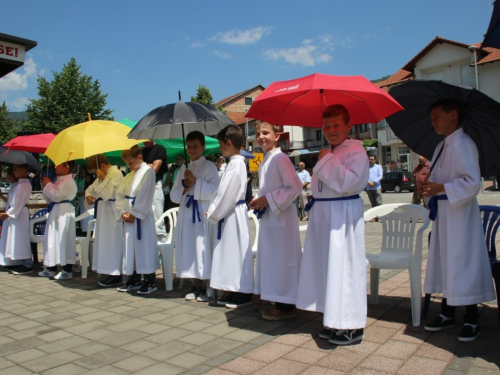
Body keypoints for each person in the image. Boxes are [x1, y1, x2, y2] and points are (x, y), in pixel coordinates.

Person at [421, 98, 495, 342]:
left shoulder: (463, 143)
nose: (433, 122)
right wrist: (427, 186)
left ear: (453, 115)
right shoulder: (442, 146)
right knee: (445, 261)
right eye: (431, 118)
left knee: (462, 261)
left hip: (460, 213)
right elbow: (439, 176)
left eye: (437, 116)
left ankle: (472, 318)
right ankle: (447, 312)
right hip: (444, 212)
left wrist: (439, 186)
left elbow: (472, 183)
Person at [296, 104, 369, 345]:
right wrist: (326, 159)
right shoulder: (329, 151)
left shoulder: (356, 152)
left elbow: (350, 182)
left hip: (342, 213)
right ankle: (332, 318)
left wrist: (326, 162)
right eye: (326, 126)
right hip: (325, 213)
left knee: (345, 266)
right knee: (327, 267)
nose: (331, 130)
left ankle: (351, 324)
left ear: (349, 126)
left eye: (337, 125)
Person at [249, 121, 302, 320]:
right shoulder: (265, 160)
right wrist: (259, 198)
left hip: (282, 221)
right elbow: (269, 189)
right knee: (273, 259)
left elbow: (294, 187)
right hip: (271, 218)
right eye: (257, 133)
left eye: (265, 132)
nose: (261, 136)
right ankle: (276, 298)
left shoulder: (280, 158)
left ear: (277, 135)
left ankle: (286, 305)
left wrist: (268, 199)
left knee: (283, 259)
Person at [207, 125, 253, 308]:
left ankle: (243, 292)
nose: (219, 147)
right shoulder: (231, 164)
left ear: (228, 143)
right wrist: (213, 208)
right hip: (228, 214)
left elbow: (229, 196)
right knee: (229, 252)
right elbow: (221, 192)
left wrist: (214, 214)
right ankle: (233, 289)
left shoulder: (237, 165)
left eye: (220, 144)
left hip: (233, 213)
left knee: (236, 251)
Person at [170, 131, 219, 302]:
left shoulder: (209, 166)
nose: (191, 150)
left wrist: (196, 181)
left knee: (202, 247)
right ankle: (195, 284)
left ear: (203, 147)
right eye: (189, 147)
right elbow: (173, 195)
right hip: (187, 212)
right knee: (189, 247)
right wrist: (184, 185)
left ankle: (207, 285)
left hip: (201, 211)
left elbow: (214, 189)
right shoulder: (183, 168)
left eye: (195, 146)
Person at [116, 145, 159, 295]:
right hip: (129, 217)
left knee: (144, 248)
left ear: (139, 157)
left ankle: (150, 280)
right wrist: (122, 212)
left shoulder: (148, 172)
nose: (129, 166)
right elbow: (120, 194)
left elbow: (145, 195)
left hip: (141, 218)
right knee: (131, 248)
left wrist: (134, 214)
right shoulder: (129, 175)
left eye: (130, 162)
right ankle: (133, 278)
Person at [85, 154, 124, 287]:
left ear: (102, 166)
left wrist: (104, 179)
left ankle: (115, 273)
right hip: (103, 213)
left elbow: (112, 194)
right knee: (104, 241)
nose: (95, 175)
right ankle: (107, 269)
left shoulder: (116, 173)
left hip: (113, 213)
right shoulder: (102, 175)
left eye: (94, 172)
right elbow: (92, 188)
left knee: (113, 242)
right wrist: (89, 195)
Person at [39, 161, 78, 280]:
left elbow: (57, 195)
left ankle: (67, 268)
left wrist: (49, 184)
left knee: (63, 238)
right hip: (56, 210)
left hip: (64, 211)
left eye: (59, 165)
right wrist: (46, 186)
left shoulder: (68, 180)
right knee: (52, 238)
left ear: (67, 167)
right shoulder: (59, 179)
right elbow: (50, 197)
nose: (55, 167)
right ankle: (51, 266)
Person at [0, 165, 33, 274]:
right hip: (15, 213)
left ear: (23, 170)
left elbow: (18, 203)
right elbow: (12, 201)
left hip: (19, 214)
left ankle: (27, 263)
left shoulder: (24, 184)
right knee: (14, 238)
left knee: (20, 237)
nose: (13, 171)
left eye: (15, 169)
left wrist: (8, 213)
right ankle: (15, 262)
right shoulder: (19, 184)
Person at [142, 140, 167, 242]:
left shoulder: (160, 149)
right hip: (143, 185)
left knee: (158, 217)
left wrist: (140, 165)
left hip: (155, 184)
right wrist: (148, 165)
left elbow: (155, 169)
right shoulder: (141, 151)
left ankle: (162, 246)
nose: (144, 142)